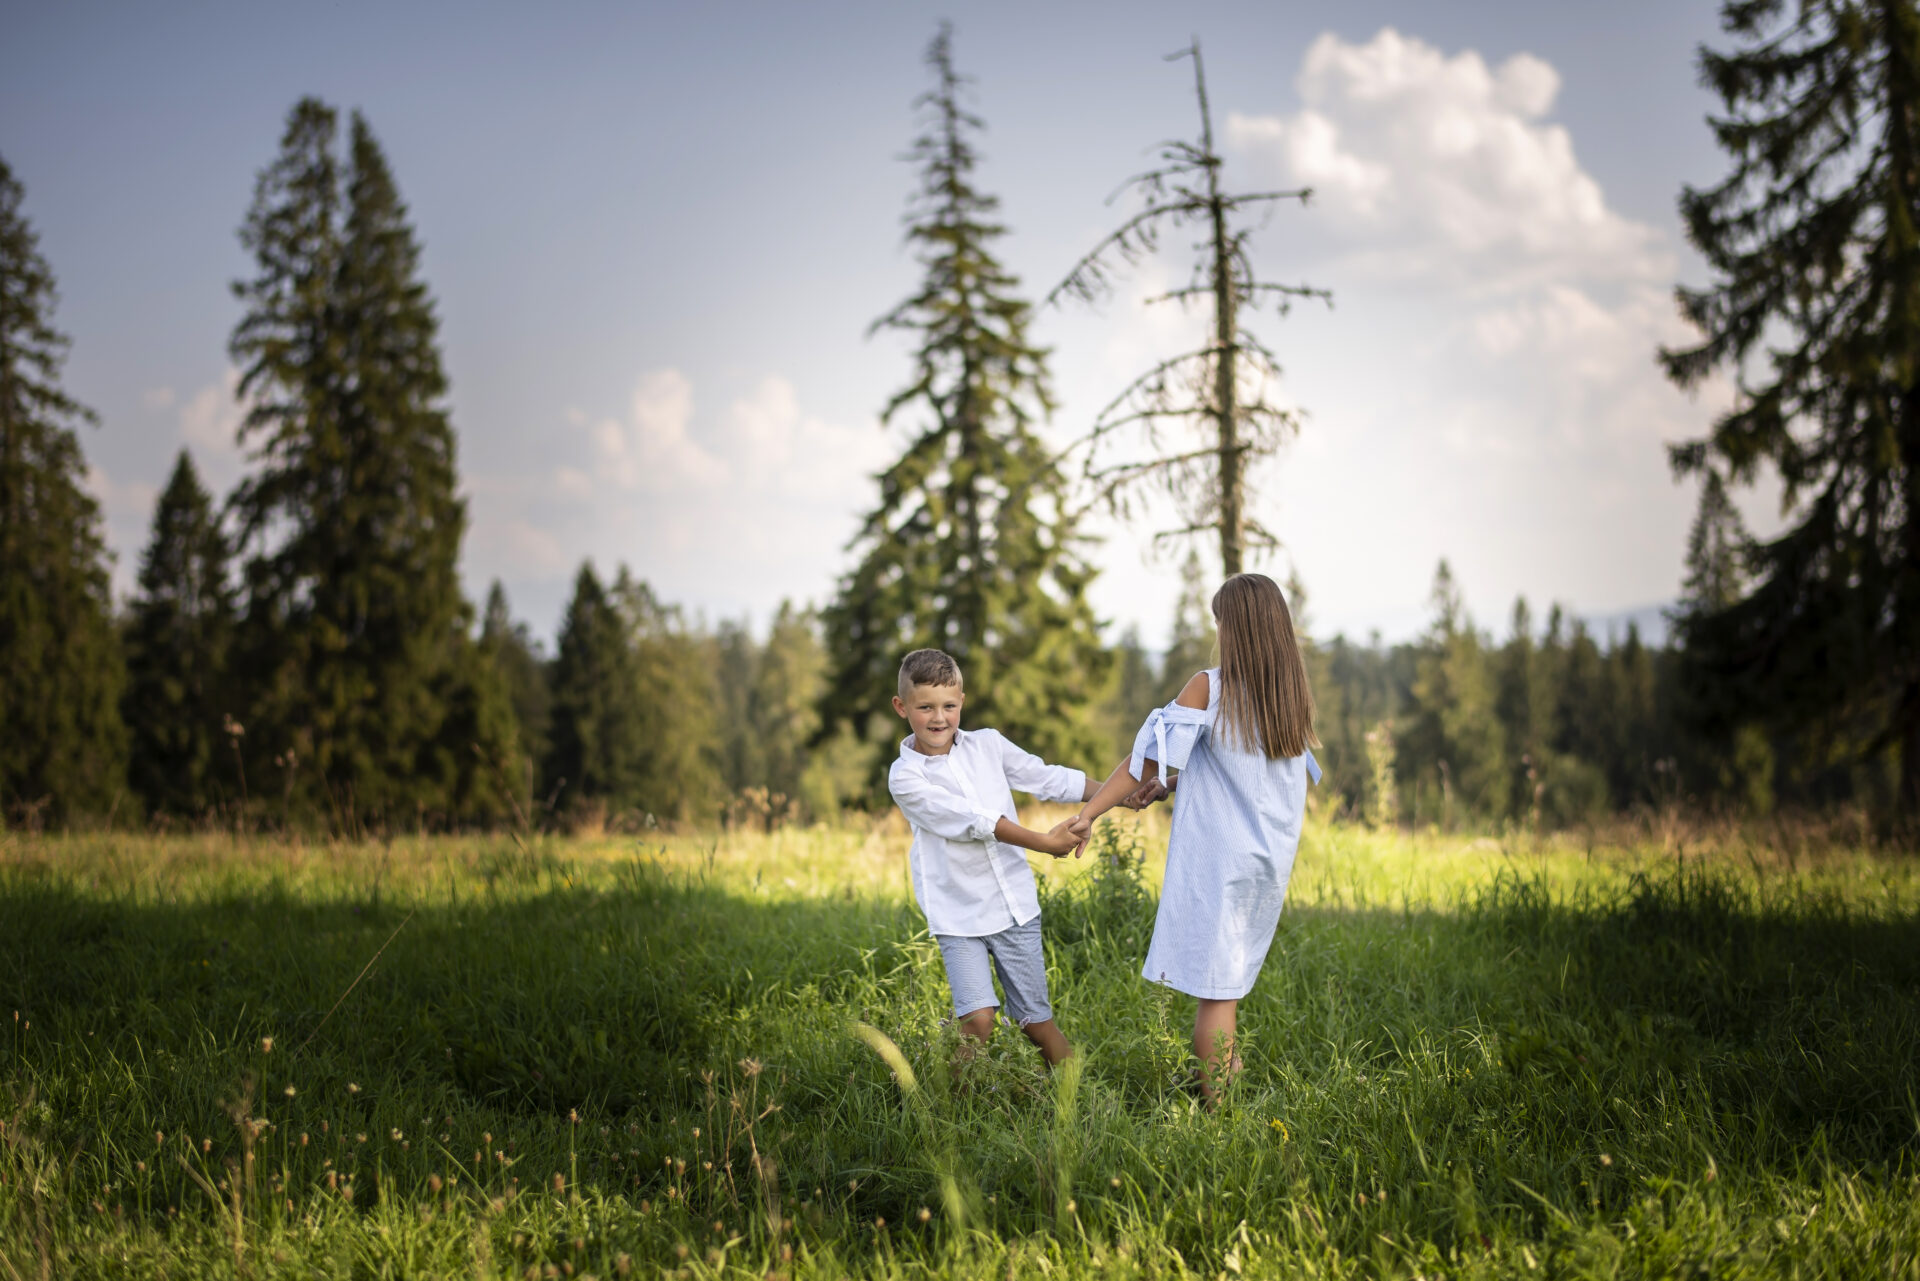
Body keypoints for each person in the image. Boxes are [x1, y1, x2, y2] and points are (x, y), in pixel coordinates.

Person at [1070, 573, 1320, 1104]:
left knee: (1216, 995)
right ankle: (1228, 1078)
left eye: (1221, 622)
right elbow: (1247, 773)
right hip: (1266, 862)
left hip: (1221, 860)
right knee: (1226, 978)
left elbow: (1146, 762)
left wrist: (1091, 811)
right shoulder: (1288, 696)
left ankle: (1217, 1116)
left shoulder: (1211, 685)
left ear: (1237, 628)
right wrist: (1178, 783)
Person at [888, 648, 1095, 1067]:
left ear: (962, 701)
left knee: (1035, 1022)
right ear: (901, 707)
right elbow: (970, 820)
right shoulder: (905, 776)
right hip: (957, 915)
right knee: (978, 1020)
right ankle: (957, 1118)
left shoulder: (989, 746)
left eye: (948, 706)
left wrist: (1122, 792)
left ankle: (1083, 1100)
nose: (938, 718)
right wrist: (1041, 841)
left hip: (1013, 906)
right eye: (925, 707)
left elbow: (1047, 777)